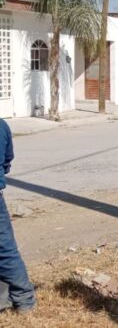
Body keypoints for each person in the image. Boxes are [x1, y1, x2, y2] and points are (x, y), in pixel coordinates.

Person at [0, 118, 36, 313]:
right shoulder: (2, 125)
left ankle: (22, 300)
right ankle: (22, 301)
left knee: (5, 251)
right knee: (5, 251)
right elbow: (7, 160)